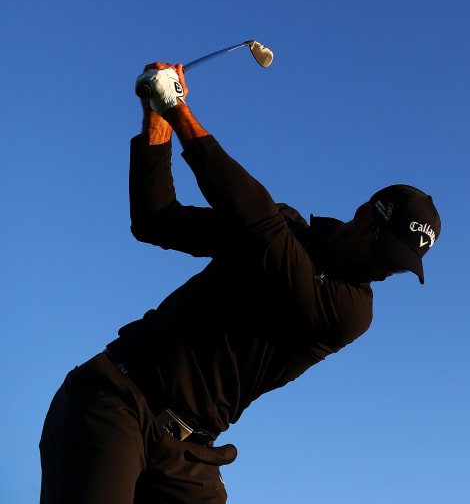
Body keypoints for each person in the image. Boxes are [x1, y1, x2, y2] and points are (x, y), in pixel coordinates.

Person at [38, 62, 442, 504]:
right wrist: (156, 114)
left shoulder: (351, 312)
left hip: (189, 453)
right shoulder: (282, 227)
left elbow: (261, 223)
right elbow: (157, 220)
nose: (385, 270)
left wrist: (177, 107)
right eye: (384, 252)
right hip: (117, 400)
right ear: (365, 216)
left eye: (399, 267)